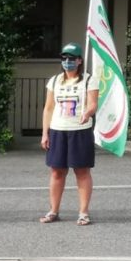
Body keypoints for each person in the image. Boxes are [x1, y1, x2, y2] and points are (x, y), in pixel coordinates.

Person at [38, 42, 99, 226]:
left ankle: (83, 212)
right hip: (58, 130)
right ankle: (53, 210)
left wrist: (87, 113)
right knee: (57, 171)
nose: (67, 62)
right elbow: (48, 108)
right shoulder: (55, 81)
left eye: (71, 59)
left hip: (79, 131)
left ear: (79, 60)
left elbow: (93, 104)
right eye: (64, 58)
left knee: (82, 171)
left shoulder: (89, 80)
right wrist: (45, 133)